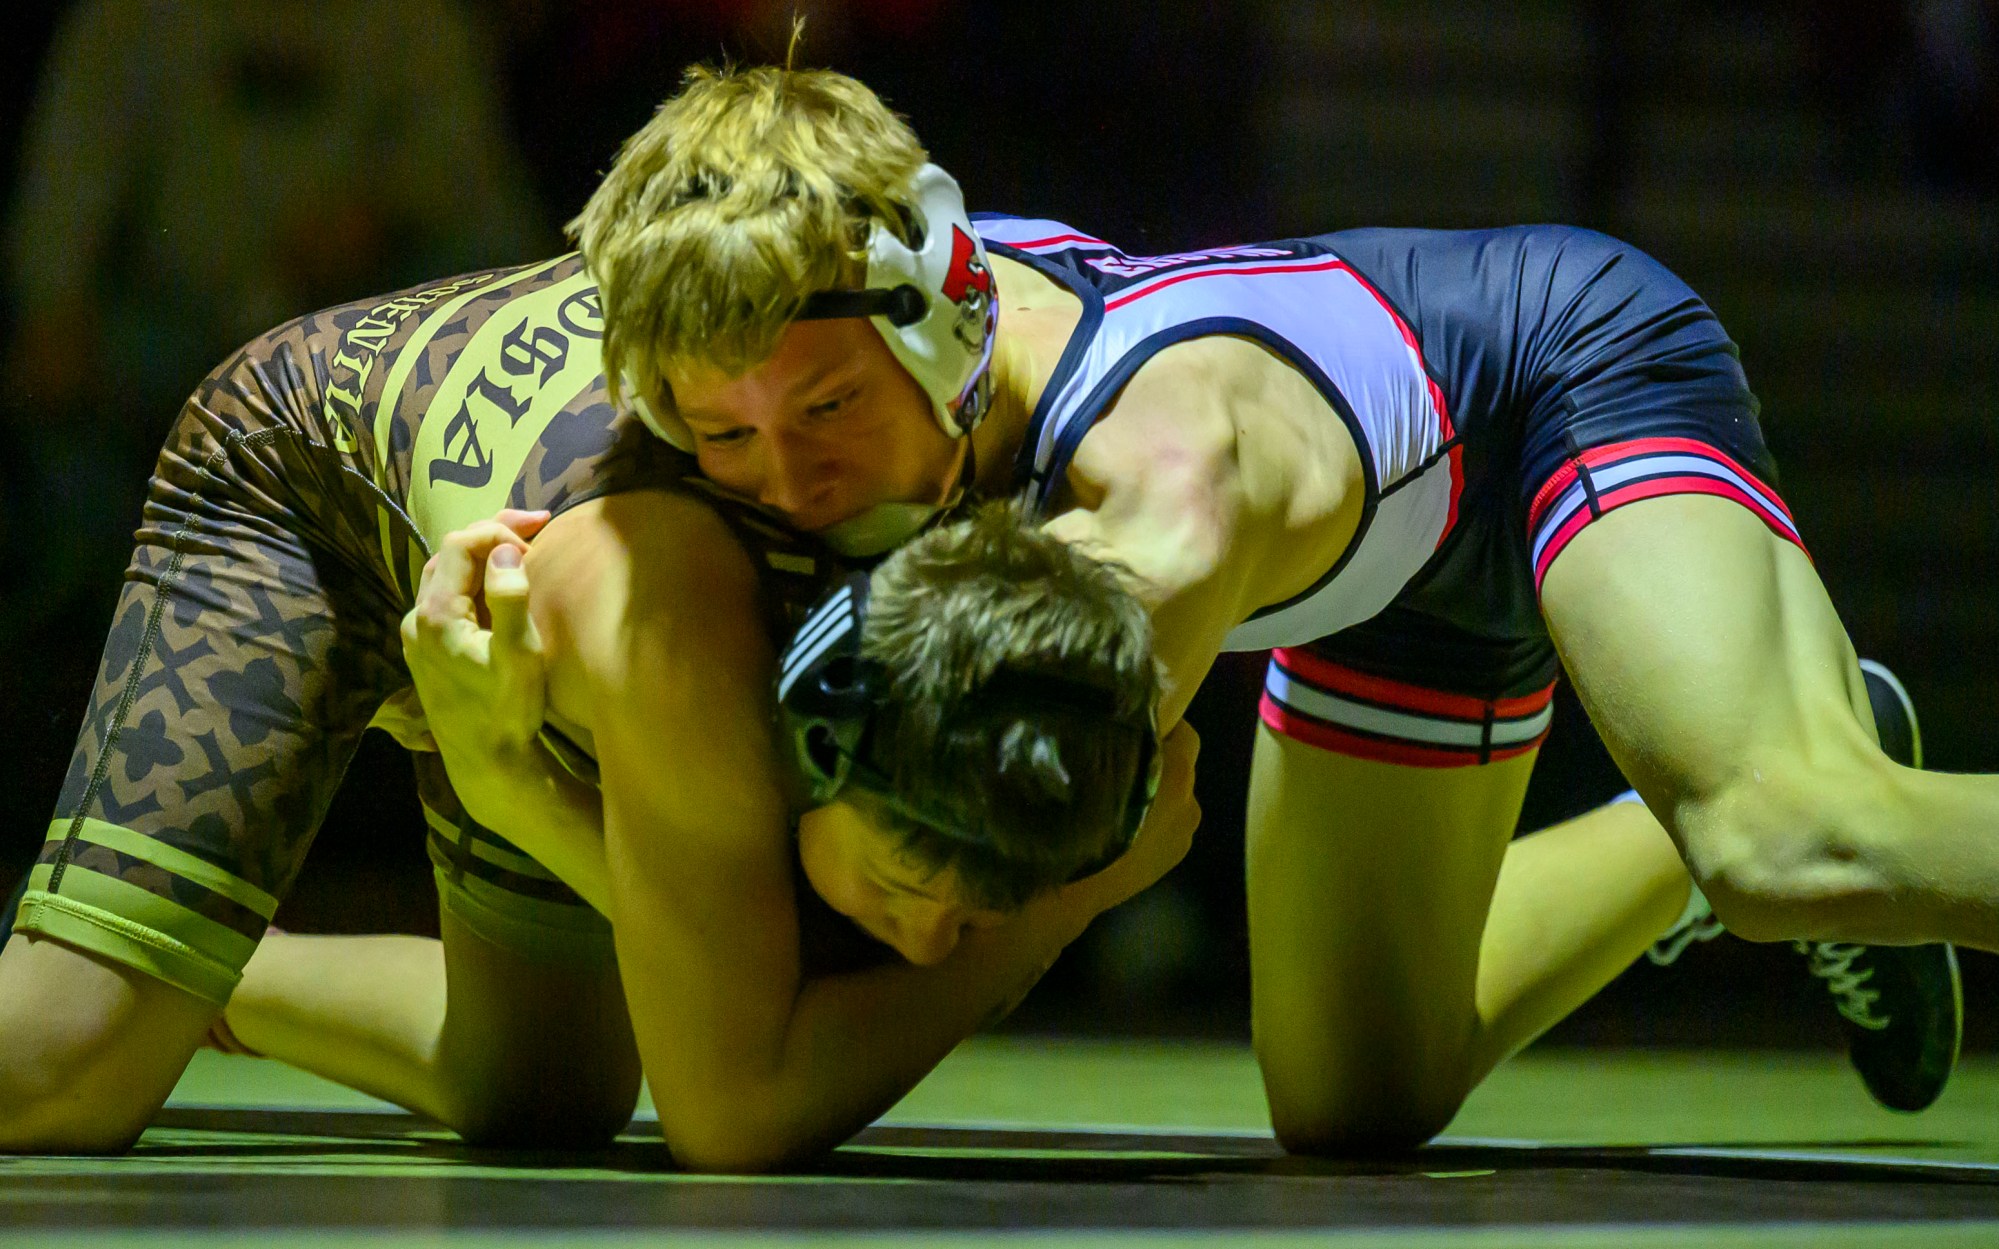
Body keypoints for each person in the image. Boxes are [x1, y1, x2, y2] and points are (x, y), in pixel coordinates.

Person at [554, 63, 1973, 1150]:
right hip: (1373, 557)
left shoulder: (1153, 513)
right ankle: (1741, 779)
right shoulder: (817, 297)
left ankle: (1778, 769)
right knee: (1356, 1100)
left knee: (1786, 842)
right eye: (720, 436)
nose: (786, 481)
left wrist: (520, 769)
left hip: (1555, 377)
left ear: (949, 321)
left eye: (825, 412)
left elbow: (911, 911)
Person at [0, 235, 1191, 1164]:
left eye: (978, 919)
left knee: (541, 1088)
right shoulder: (670, 620)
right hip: (306, 481)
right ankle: (120, 984)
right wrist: (1053, 914)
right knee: (55, 1073)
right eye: (922, 899)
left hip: (538, 609)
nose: (928, 946)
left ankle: (212, 980)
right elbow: (735, 1111)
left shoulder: (1046, 505)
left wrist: (509, 781)